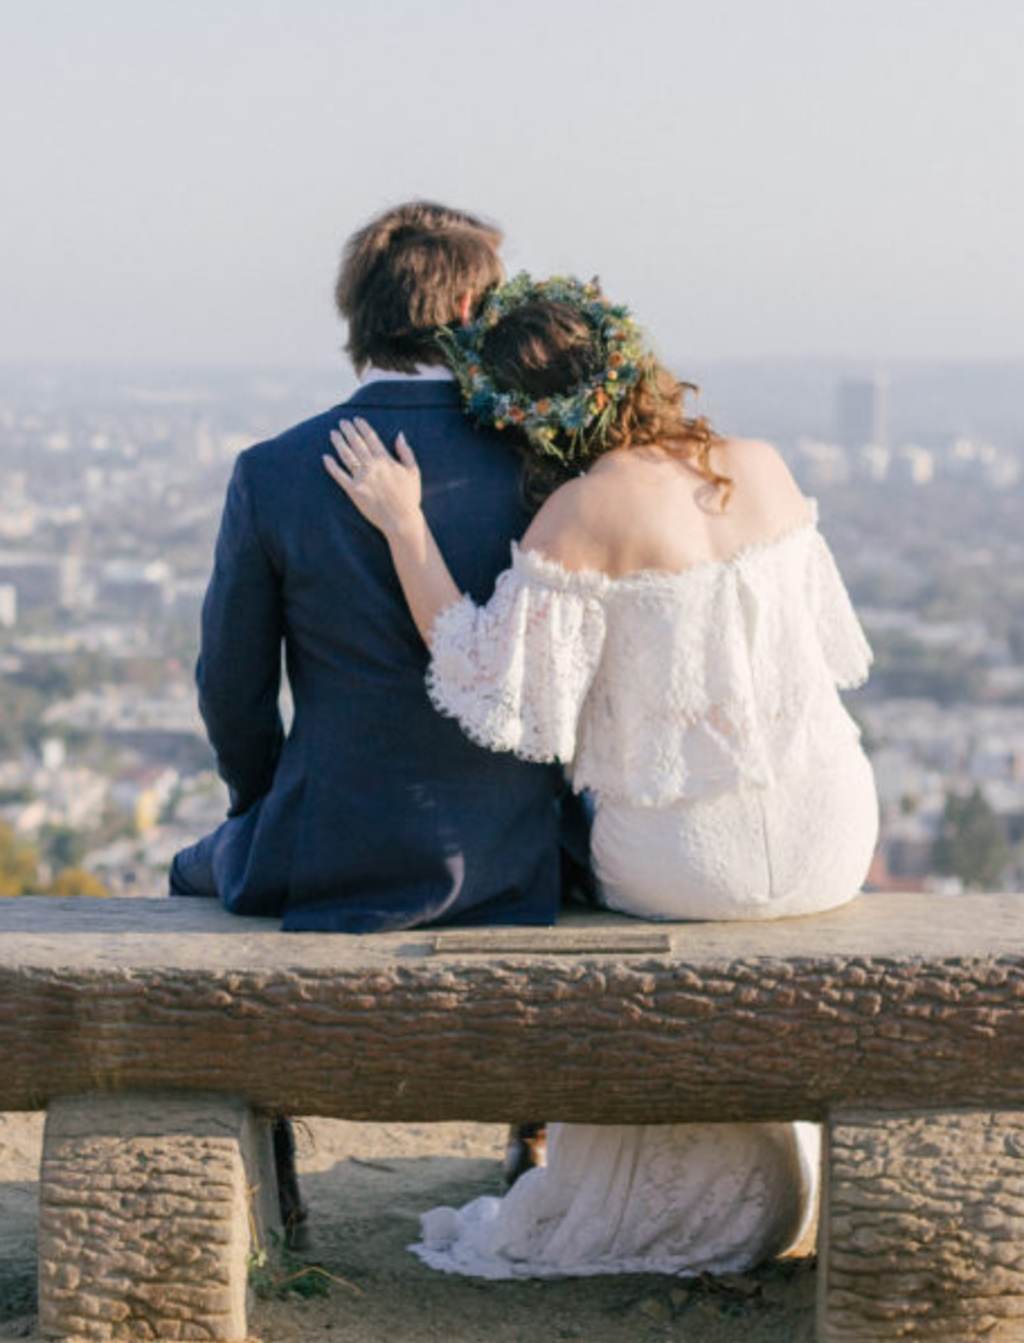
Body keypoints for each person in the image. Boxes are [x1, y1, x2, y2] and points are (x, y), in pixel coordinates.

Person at [323, 274, 879, 1279]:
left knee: (567, 847)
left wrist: (403, 522)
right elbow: (830, 650)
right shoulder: (758, 466)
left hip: (686, 859)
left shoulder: (579, 513)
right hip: (831, 831)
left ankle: (625, 1163)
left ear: (522, 417)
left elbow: (485, 681)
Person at [170, 203, 570, 934]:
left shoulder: (273, 472)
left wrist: (259, 801)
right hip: (517, 857)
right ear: (470, 307)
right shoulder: (544, 469)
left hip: (330, 851)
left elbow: (233, 688)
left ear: (357, 312)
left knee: (187, 870)